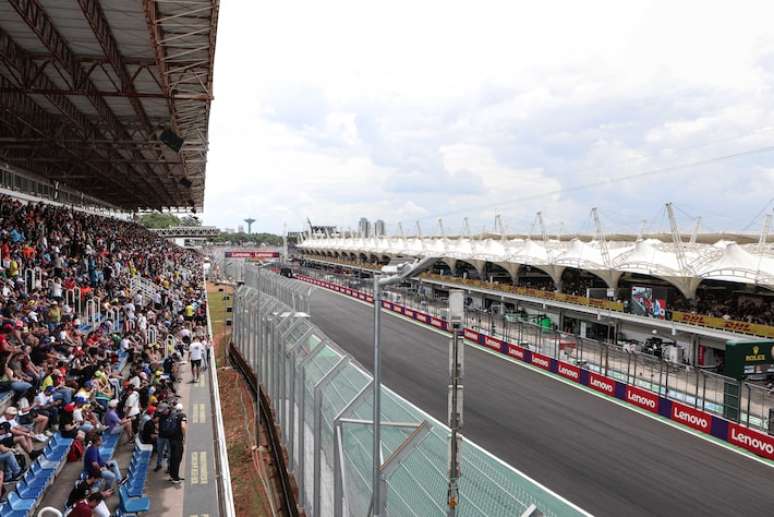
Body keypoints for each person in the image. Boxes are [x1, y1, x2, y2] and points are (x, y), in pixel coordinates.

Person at [166, 403, 187, 483]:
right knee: (177, 458)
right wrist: (184, 436)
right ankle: (175, 478)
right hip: (178, 440)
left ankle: (173, 475)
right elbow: (183, 426)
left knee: (172, 458)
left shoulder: (172, 415)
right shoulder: (182, 416)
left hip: (171, 439)